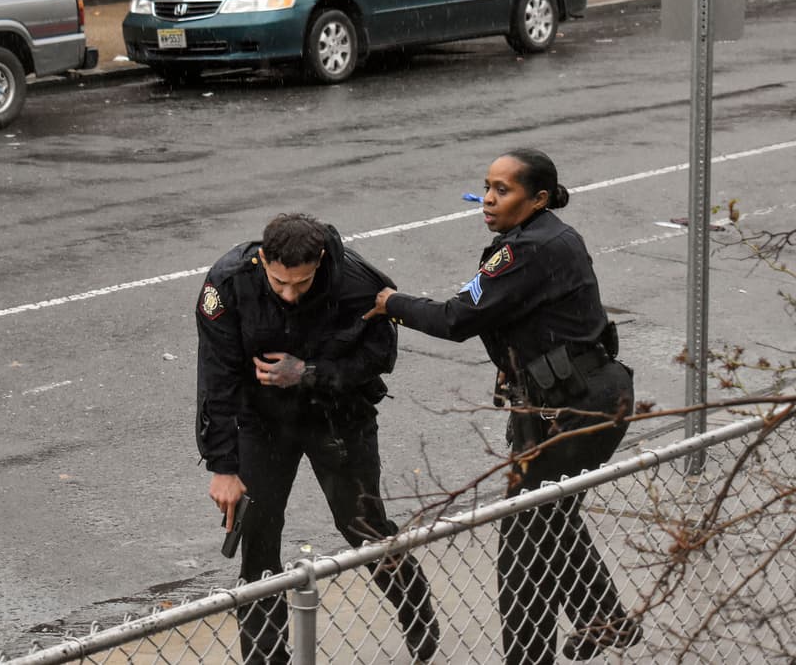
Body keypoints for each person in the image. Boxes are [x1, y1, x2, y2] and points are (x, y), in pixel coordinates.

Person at [363, 149, 641, 664]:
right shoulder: (543, 237)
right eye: (486, 187)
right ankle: (604, 616)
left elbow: (455, 318)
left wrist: (390, 304)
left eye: (503, 190)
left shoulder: (525, 251)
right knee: (553, 519)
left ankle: (534, 653)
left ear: (537, 198)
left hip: (573, 407)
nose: (488, 199)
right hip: (571, 399)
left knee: (522, 545)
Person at [196, 212, 440, 664]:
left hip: (337, 415)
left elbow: (380, 356)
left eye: (302, 284)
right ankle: (266, 656)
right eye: (279, 283)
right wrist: (223, 467)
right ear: (263, 259)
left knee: (362, 526)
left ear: (321, 262)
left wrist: (309, 374)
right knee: (259, 541)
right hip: (263, 421)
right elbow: (217, 378)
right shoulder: (228, 283)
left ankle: (417, 611)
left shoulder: (356, 282)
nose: (289, 294)